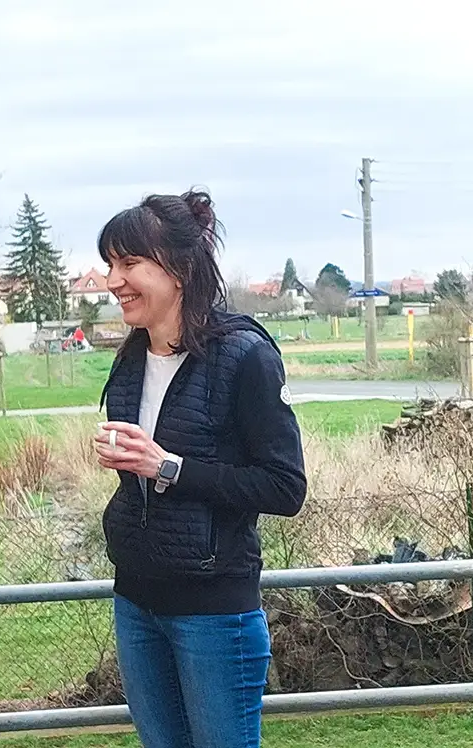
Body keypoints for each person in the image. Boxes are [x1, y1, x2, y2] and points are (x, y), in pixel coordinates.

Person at [90, 190, 307, 747]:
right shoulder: (132, 359)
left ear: (181, 269)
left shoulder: (245, 355)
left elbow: (285, 487)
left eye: (129, 263)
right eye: (110, 264)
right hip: (136, 599)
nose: (113, 280)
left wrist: (168, 467)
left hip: (213, 615)